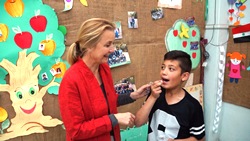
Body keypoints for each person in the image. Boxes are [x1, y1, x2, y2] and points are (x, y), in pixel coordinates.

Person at [58, 18, 150, 141]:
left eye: (112, 43)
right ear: (89, 45)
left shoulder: (103, 68)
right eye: (107, 45)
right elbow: (76, 131)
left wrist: (133, 95)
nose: (112, 49)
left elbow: (105, 102)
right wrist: (114, 119)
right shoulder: (71, 80)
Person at [135, 50, 205, 141]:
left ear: (184, 76)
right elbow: (138, 122)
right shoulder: (155, 94)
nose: (164, 72)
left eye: (171, 69)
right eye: (163, 67)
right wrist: (152, 97)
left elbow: (200, 138)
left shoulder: (193, 106)